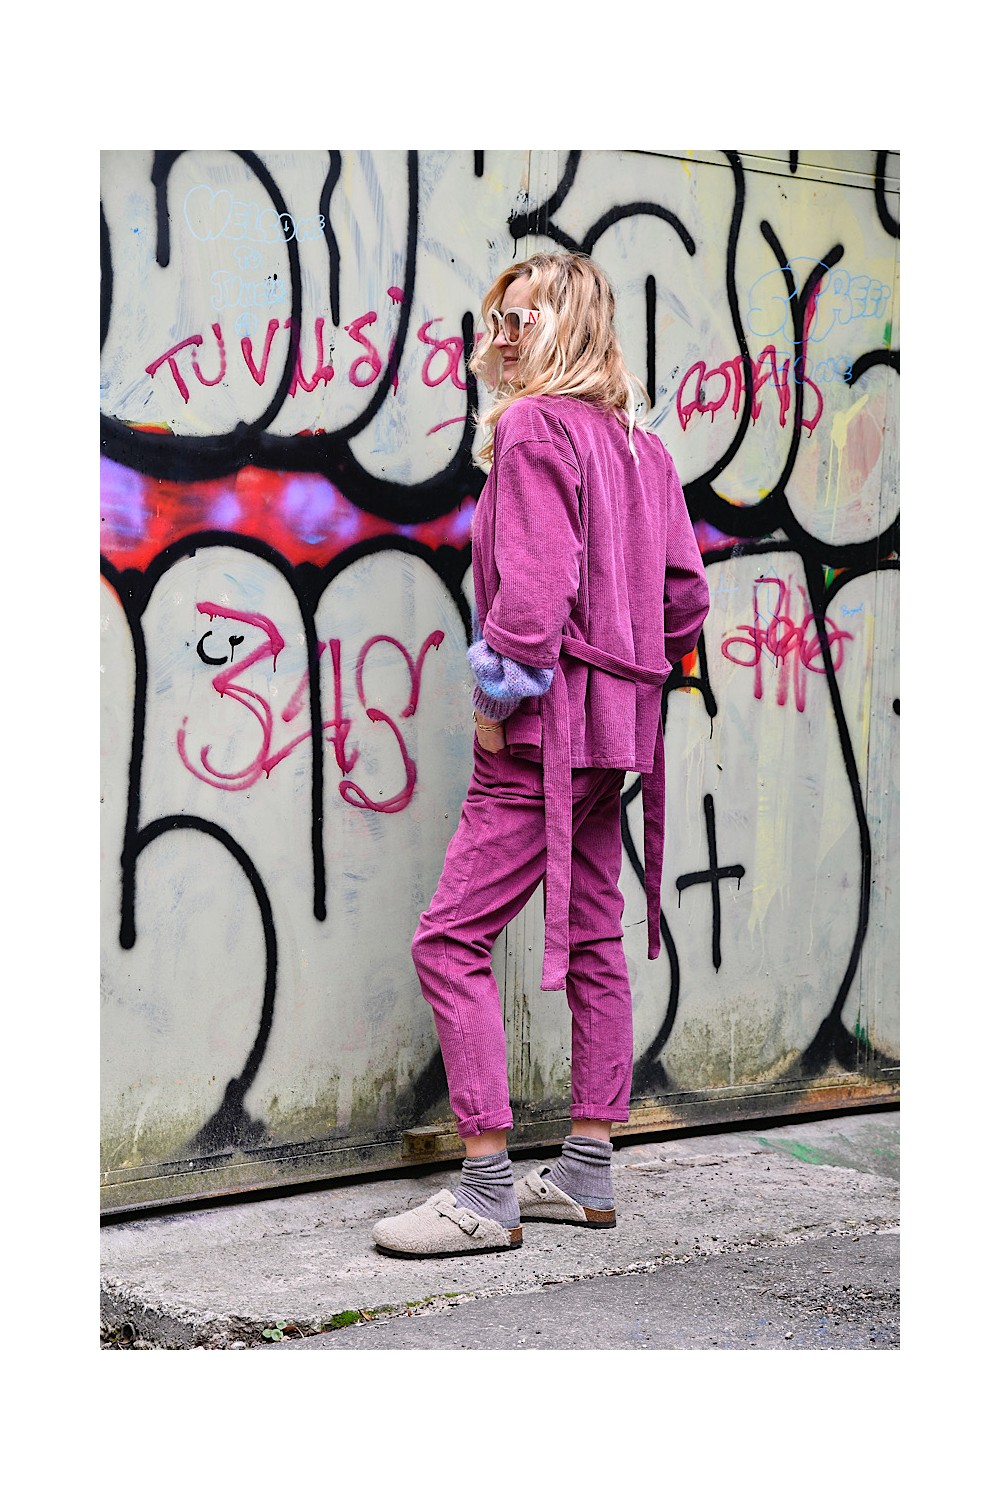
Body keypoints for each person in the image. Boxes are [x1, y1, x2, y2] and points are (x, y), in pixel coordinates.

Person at [372, 252, 710, 1259]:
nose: (501, 338)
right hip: (615, 735)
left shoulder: (532, 428)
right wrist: (630, 676)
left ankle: (485, 1194)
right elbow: (686, 599)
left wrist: (493, 702)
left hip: (544, 731)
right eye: (498, 319)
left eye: (521, 321)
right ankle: (585, 1173)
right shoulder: (642, 450)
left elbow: (528, 602)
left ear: (566, 330)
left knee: (448, 941)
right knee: (597, 937)